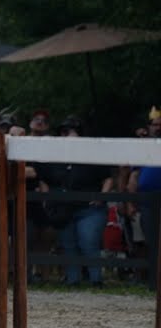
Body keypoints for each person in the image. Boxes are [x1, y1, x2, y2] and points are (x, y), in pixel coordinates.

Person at [36, 116, 114, 286]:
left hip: (90, 207)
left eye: (69, 131)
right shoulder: (54, 157)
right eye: (63, 132)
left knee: (88, 242)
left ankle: (96, 280)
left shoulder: (92, 155)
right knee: (68, 245)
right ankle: (73, 281)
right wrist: (46, 200)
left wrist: (101, 197)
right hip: (63, 207)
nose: (66, 136)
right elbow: (44, 180)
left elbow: (107, 178)